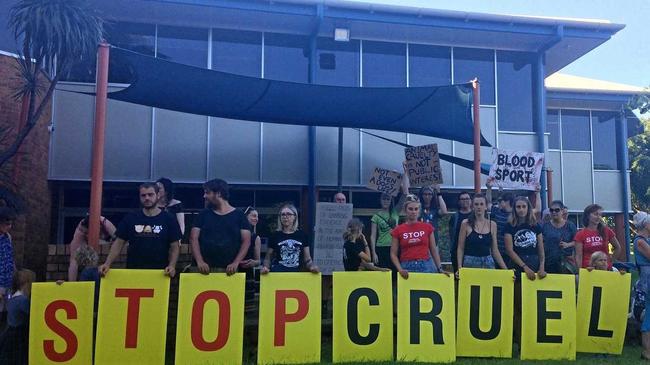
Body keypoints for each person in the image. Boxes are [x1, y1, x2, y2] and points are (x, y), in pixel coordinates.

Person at [98, 183, 182, 277]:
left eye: (150, 194)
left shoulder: (169, 219)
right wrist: (107, 263)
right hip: (134, 273)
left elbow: (175, 246)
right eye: (143, 195)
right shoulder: (131, 218)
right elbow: (118, 243)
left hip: (160, 274)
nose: (147, 198)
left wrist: (172, 265)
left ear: (158, 195)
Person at [191, 179, 251, 275]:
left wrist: (236, 262)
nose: (204, 196)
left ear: (218, 194)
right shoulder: (202, 215)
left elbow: (246, 242)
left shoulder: (240, 216)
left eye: (207, 193)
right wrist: (200, 261)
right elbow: (193, 239)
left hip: (229, 271)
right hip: (201, 270)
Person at [390, 194, 446, 279]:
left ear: (419, 211)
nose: (413, 212)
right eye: (410, 209)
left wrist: (440, 268)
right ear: (405, 210)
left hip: (426, 265)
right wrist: (400, 269)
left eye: (416, 209)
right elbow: (393, 254)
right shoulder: (398, 230)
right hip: (406, 266)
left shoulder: (427, 227)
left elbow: (433, 249)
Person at [456, 193, 507, 274]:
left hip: (488, 262)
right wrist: (459, 267)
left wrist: (506, 270)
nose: (479, 207)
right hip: (470, 262)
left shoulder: (492, 224)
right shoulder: (465, 223)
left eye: (481, 204)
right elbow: (460, 248)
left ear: (486, 206)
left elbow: (495, 250)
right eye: (476, 204)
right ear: (472, 207)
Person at [261, 204, 319, 274]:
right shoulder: (275, 235)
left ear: (295, 217)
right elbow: (268, 258)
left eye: (289, 214)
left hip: (297, 275)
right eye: (283, 214)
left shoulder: (302, 235)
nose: (285, 217)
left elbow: (307, 259)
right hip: (278, 274)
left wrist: (312, 266)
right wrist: (265, 267)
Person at [504, 196, 546, 281]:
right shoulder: (509, 226)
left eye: (524, 206)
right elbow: (509, 250)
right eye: (518, 207)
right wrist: (524, 267)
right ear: (514, 209)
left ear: (528, 208)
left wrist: (542, 267)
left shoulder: (536, 225)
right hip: (517, 263)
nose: (521, 209)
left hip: (534, 262)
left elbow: (541, 249)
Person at [0, 269, 35, 365]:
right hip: (19, 335)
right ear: (27, 284)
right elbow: (32, 315)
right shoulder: (22, 300)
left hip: (10, 333)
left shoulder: (13, 298)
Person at [68, 215, 116, 281]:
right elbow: (73, 261)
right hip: (91, 265)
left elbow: (119, 241)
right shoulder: (80, 231)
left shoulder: (106, 224)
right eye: (85, 233)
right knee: (88, 270)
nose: (86, 235)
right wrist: (72, 285)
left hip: (107, 249)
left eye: (87, 233)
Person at [574, 204, 622, 270]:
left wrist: (610, 261)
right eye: (595, 214)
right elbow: (578, 255)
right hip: (588, 270)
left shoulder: (606, 231)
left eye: (600, 215)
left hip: (605, 269)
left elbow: (618, 247)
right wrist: (580, 271)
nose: (598, 217)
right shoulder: (580, 234)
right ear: (588, 216)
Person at [541, 200, 577, 274]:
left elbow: (578, 242)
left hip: (566, 264)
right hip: (548, 263)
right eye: (551, 210)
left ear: (562, 211)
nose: (554, 212)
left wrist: (568, 245)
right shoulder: (544, 226)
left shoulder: (570, 225)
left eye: (557, 210)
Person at [633, 211, 650, 360]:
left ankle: (647, 351)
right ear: (645, 224)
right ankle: (646, 350)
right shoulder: (640, 241)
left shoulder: (645, 239)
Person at [450, 191, 473, 273]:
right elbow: (451, 234)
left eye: (467, 198)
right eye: (462, 199)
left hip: (472, 251)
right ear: (459, 202)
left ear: (471, 200)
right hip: (457, 251)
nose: (465, 201)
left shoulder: (475, 215)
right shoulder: (454, 216)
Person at [0, 207, 16, 327]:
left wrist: (14, 272)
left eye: (10, 224)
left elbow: (10, 256)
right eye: (6, 224)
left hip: (8, 280)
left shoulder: (8, 237)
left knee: (7, 311)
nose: (9, 227)